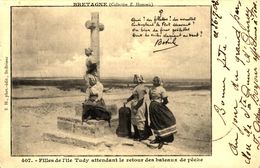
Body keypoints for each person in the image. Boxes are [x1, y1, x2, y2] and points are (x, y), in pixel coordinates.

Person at [149, 76, 177, 149]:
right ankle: (162, 139)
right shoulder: (162, 89)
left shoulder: (151, 89)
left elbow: (150, 98)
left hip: (152, 106)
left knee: (155, 122)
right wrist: (162, 105)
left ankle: (158, 138)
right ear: (159, 82)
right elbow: (165, 100)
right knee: (164, 120)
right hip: (158, 106)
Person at [125, 74, 151, 141]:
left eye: (135, 78)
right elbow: (133, 96)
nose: (134, 79)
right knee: (134, 120)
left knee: (139, 120)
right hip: (135, 105)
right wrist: (127, 100)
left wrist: (136, 108)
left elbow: (141, 99)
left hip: (139, 106)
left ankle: (142, 136)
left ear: (138, 79)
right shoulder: (137, 87)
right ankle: (136, 134)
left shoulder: (140, 87)